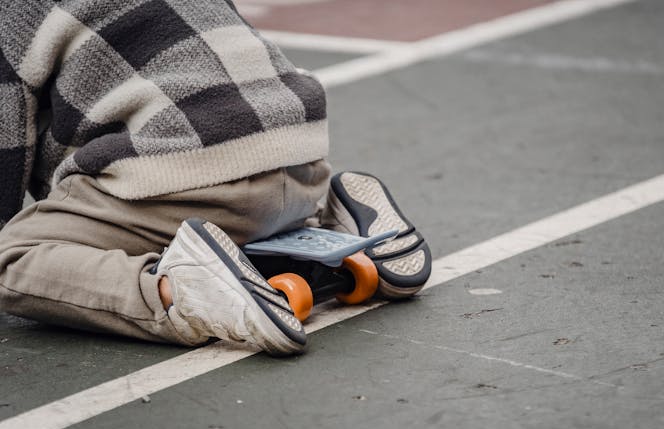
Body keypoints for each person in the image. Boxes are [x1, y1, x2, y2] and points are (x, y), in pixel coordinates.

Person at [0, 0, 431, 356]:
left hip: (182, 173)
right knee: (234, 193)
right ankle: (339, 233)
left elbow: (7, 146)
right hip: (299, 157)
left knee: (10, 260)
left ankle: (186, 290)